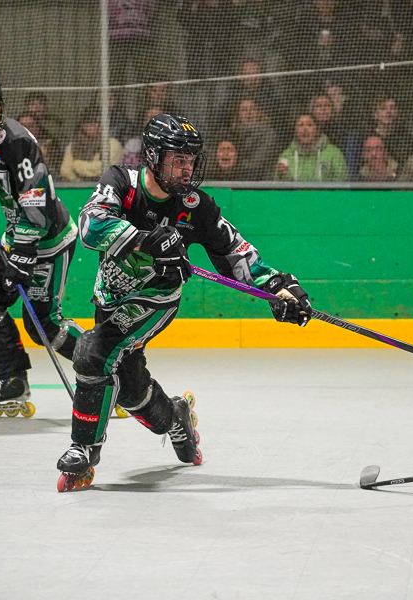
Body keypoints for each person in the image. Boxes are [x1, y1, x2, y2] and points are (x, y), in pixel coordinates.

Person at [57, 113, 313, 490]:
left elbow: (236, 254)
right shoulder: (121, 183)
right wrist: (148, 240)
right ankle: (175, 417)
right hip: (110, 297)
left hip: (155, 300)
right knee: (130, 389)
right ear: (153, 157)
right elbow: (91, 226)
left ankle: (83, 450)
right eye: (178, 159)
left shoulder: (196, 206)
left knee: (92, 352)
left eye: (191, 160)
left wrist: (277, 288)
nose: (187, 168)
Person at [0, 71, 82, 414]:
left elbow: (37, 203)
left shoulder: (18, 142)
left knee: (45, 327)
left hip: (48, 241)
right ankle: (13, 380)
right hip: (16, 239)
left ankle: (109, 369)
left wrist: (23, 255)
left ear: (0, 108)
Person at [275, 114, 347, 182]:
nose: (305, 129)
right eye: (300, 125)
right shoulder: (287, 155)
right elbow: (278, 184)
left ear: (317, 130)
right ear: (296, 131)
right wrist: (283, 175)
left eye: (309, 125)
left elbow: (341, 179)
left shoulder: (333, 153)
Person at [59, 107, 124, 182]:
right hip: (80, 187)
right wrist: (80, 183)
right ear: (83, 126)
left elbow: (105, 168)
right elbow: (65, 171)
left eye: (99, 123)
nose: (96, 126)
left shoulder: (112, 143)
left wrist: (76, 165)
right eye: (92, 123)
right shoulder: (73, 145)